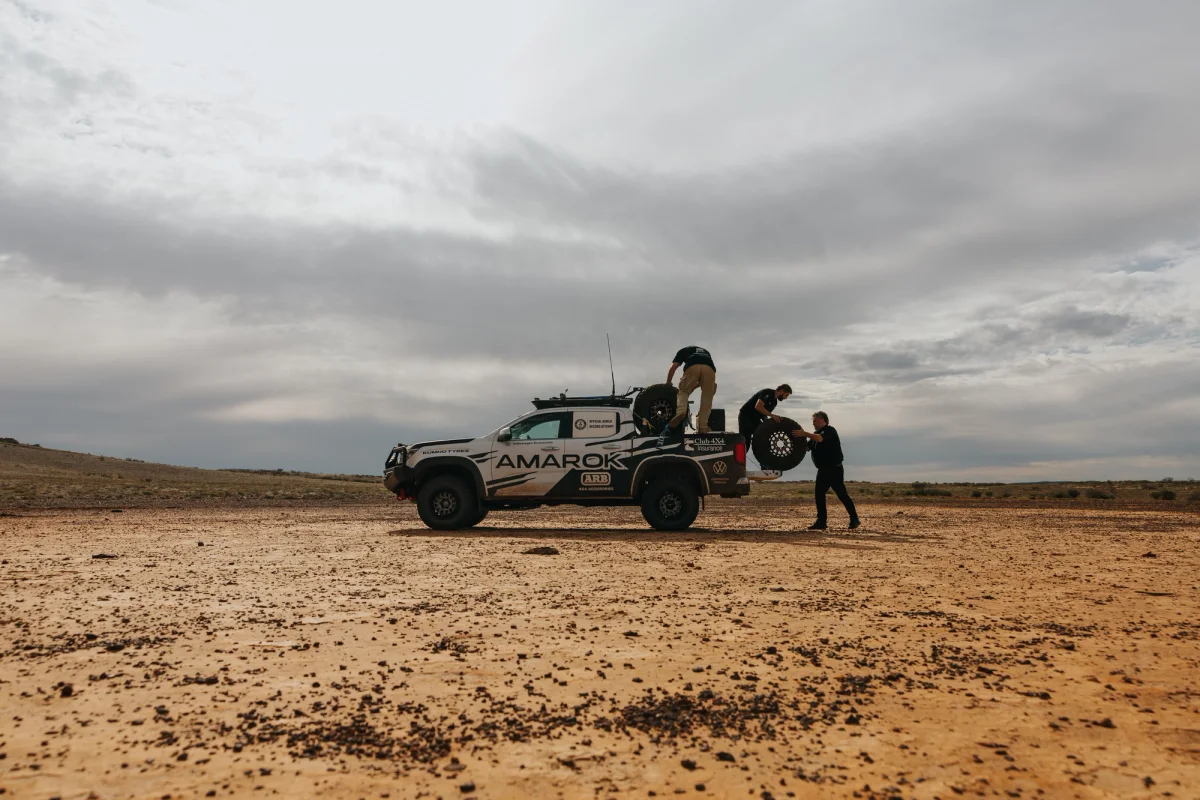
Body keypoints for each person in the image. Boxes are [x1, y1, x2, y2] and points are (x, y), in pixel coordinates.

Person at [792, 411, 859, 530]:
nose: (813, 423)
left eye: (815, 421)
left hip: (834, 469)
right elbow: (807, 448)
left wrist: (805, 433)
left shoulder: (830, 431)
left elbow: (820, 439)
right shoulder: (814, 434)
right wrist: (798, 439)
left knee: (842, 494)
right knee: (819, 494)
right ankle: (821, 522)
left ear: (822, 420)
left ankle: (854, 519)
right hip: (822, 470)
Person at [665, 346, 717, 433]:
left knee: (683, 391)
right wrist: (693, 387)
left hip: (693, 366)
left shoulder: (682, 351)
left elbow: (674, 367)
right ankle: (703, 427)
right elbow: (702, 375)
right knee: (707, 397)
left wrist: (668, 382)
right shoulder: (706, 352)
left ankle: (681, 412)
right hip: (710, 369)